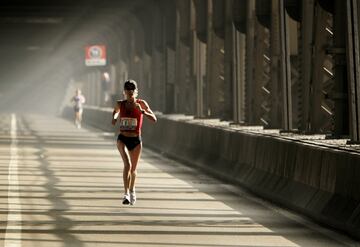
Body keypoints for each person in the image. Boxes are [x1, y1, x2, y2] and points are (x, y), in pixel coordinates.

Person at [111, 79, 157, 205]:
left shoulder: (141, 103)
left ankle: (132, 190)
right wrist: (114, 117)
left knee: (133, 169)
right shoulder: (120, 104)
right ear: (124, 92)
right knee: (127, 165)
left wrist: (142, 111)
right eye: (127, 91)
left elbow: (154, 119)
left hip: (136, 139)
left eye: (132, 91)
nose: (130, 93)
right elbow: (115, 113)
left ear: (136, 92)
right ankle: (126, 194)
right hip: (123, 138)